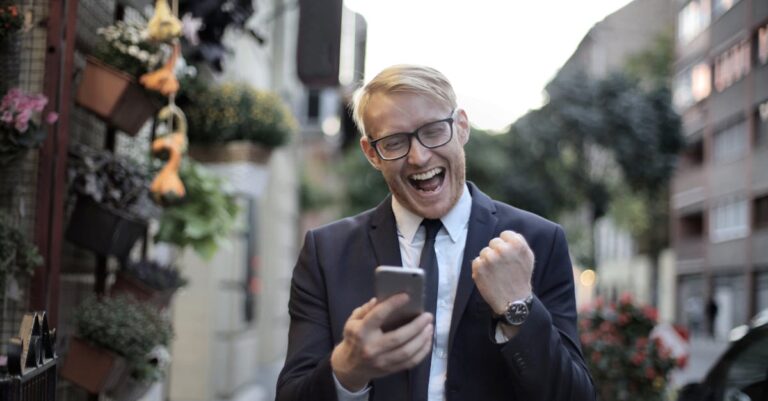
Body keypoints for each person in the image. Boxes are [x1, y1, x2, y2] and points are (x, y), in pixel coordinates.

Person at [276, 65, 595, 401]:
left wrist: (518, 308)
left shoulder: (540, 241)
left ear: (461, 127)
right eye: (394, 142)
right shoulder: (325, 252)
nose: (418, 156)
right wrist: (348, 368)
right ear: (372, 154)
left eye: (432, 131)